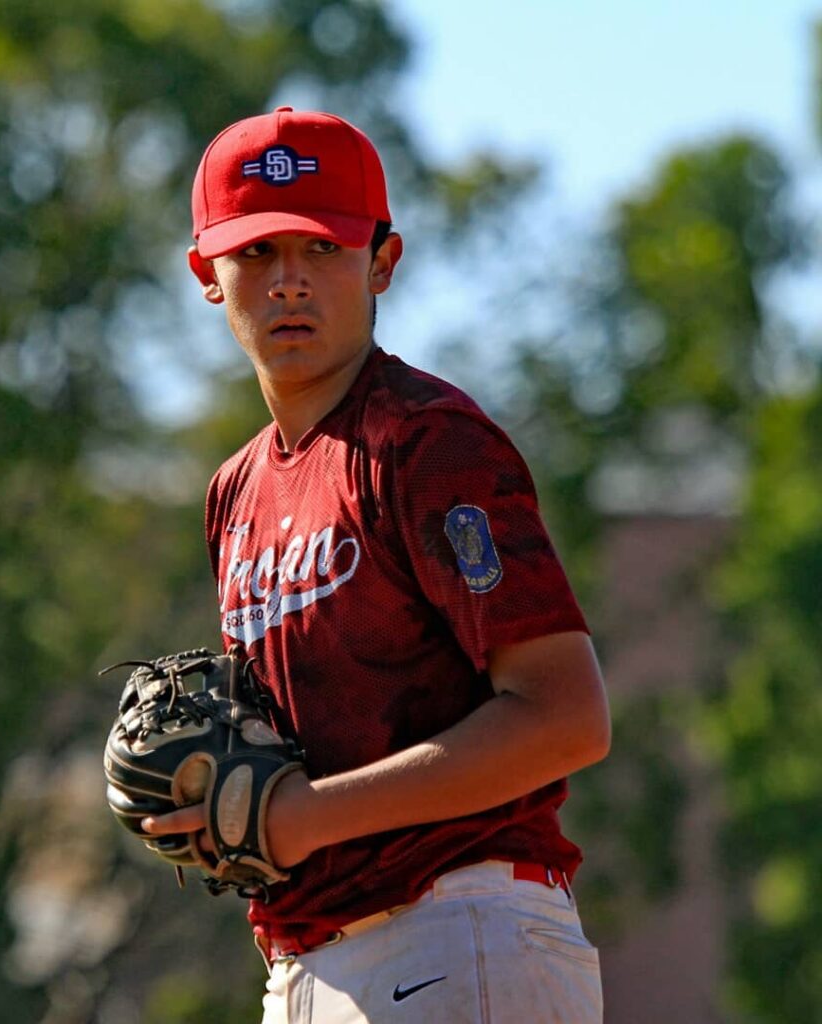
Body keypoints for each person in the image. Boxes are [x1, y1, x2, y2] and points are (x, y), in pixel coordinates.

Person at [142, 106, 611, 1024]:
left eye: (321, 249)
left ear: (382, 264)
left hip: (459, 925)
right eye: (257, 253)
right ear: (207, 275)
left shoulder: (427, 444)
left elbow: (566, 716)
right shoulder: (235, 491)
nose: (288, 283)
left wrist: (306, 814)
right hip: (314, 957)